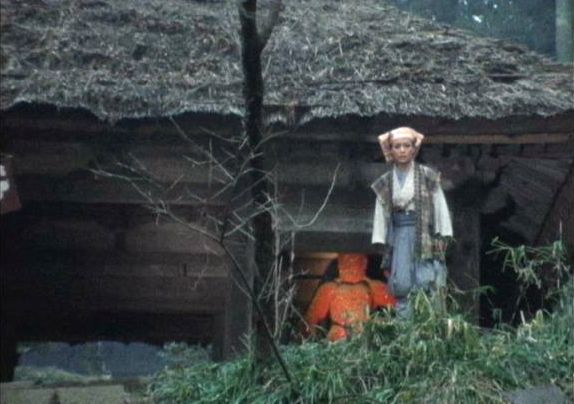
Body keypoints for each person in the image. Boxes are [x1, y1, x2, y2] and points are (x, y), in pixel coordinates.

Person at [371, 127, 453, 318]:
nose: (402, 150)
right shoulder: (386, 181)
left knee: (426, 279)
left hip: (424, 232)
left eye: (406, 146)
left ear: (413, 149)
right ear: (391, 150)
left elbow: (439, 204)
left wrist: (443, 233)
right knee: (402, 282)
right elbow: (381, 210)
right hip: (399, 233)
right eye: (397, 146)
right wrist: (380, 238)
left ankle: (428, 324)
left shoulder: (428, 175)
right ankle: (404, 326)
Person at [304, 253, 396, 342]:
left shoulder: (374, 288)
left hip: (363, 337)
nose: (350, 263)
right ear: (339, 263)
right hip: (338, 339)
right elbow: (310, 320)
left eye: (355, 260)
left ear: (364, 262)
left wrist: (382, 323)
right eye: (346, 260)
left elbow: (398, 306)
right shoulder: (329, 289)